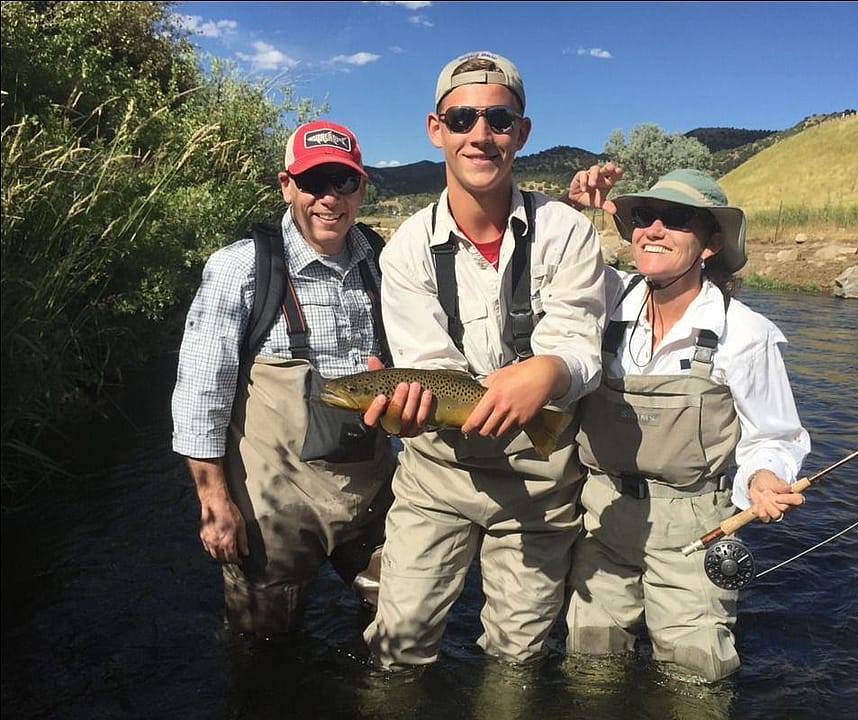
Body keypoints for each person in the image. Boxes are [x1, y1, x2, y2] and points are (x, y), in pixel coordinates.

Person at [361, 50, 607, 670]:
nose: (481, 134)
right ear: (435, 129)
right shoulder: (406, 249)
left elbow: (581, 345)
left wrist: (548, 372)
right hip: (437, 475)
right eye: (463, 117)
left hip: (541, 479)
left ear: (521, 133)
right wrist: (407, 414)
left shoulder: (569, 232)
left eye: (499, 119)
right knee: (399, 638)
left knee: (516, 656)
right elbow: (429, 373)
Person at [561, 165, 811, 682]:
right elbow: (552, 272)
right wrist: (577, 213)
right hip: (601, 518)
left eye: (674, 219)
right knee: (589, 666)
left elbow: (774, 436)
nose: (653, 229)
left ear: (710, 243)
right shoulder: (603, 300)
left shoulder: (745, 333)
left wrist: (765, 477)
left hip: (694, 528)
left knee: (696, 678)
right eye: (643, 217)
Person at [171, 119, 400, 636]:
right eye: (313, 182)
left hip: (371, 497)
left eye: (343, 182)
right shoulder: (241, 268)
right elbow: (200, 393)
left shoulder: (384, 264)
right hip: (271, 508)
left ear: (361, 187)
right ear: (287, 186)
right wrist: (214, 503)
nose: (329, 199)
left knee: (402, 628)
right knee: (263, 654)